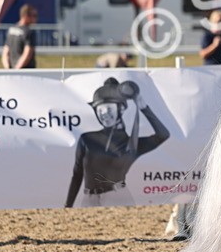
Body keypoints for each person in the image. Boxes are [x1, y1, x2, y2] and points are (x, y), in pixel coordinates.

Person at [65, 78, 171, 207]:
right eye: (100, 110)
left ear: (120, 109)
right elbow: (77, 174)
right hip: (89, 200)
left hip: (118, 199)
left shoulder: (132, 143)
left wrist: (143, 107)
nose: (104, 114)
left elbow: (163, 135)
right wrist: (68, 205)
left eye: (109, 109)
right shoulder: (87, 139)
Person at [1, 4, 38, 69]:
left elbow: (5, 52)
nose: (36, 18)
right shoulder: (29, 32)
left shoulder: (11, 30)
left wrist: (8, 68)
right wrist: (17, 69)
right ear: (26, 16)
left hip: (12, 68)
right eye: (34, 16)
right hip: (26, 71)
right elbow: (27, 54)